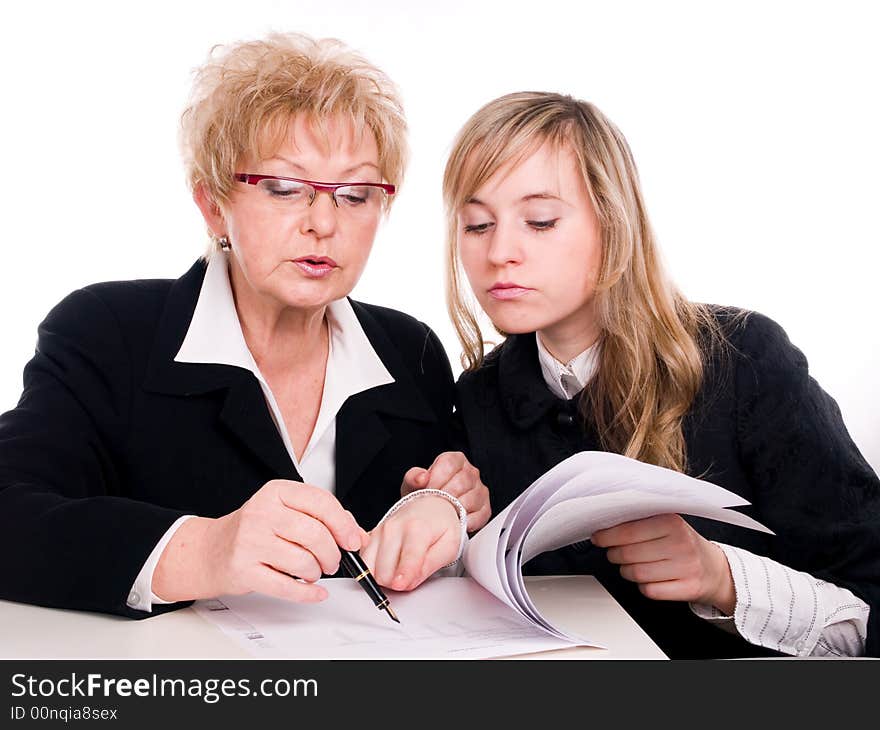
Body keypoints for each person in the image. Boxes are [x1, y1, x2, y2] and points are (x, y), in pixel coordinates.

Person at [0, 33, 488, 619]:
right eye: (285, 188)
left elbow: (449, 540)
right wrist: (203, 550)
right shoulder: (107, 333)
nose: (323, 223)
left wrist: (449, 506)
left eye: (355, 195)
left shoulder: (411, 352)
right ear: (213, 204)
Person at [442, 91, 880, 658]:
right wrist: (445, 526)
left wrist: (721, 577)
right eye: (477, 224)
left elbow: (867, 602)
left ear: (613, 222)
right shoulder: (477, 395)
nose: (500, 251)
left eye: (540, 221)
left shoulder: (744, 360)